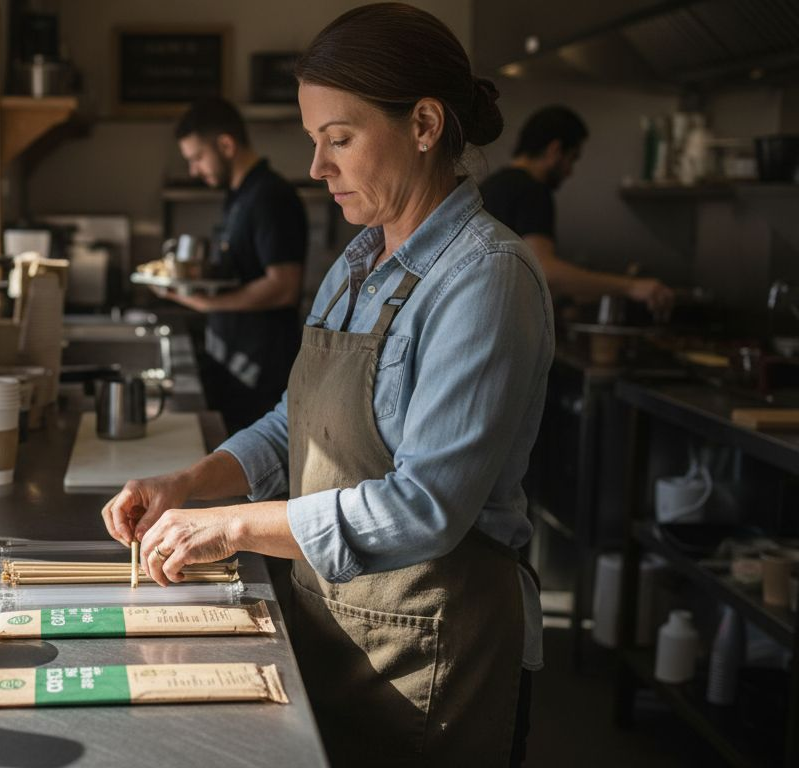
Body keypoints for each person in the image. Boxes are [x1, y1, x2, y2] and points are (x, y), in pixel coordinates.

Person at [102, 4, 548, 765]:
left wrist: (234, 527)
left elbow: (426, 506)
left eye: (338, 139)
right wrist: (191, 483)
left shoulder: (486, 279)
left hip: (431, 655)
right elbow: (292, 424)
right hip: (332, 624)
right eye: (315, 142)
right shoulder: (356, 262)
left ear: (425, 124)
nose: (317, 167)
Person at [162, 98, 307, 434]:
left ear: (226, 144)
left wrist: (207, 303)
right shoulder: (238, 196)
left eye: (197, 158)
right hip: (230, 362)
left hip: (259, 373)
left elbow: (284, 286)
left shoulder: (270, 196)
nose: (193, 171)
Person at [481, 106, 674, 317]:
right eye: (572, 158)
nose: (570, 171)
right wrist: (631, 287)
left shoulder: (492, 185)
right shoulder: (533, 191)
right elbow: (546, 272)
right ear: (555, 150)